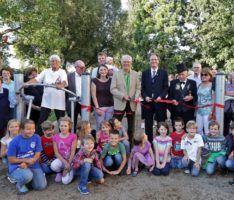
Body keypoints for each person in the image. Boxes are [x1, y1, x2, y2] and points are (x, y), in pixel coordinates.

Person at [24, 55, 68, 135]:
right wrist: (27, 83)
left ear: (59, 63)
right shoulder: (46, 71)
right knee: (42, 120)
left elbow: (64, 81)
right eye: (52, 61)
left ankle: (64, 138)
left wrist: (61, 85)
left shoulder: (62, 71)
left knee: (61, 121)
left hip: (59, 101)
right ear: (50, 63)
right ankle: (37, 137)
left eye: (56, 61)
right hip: (47, 101)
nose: (54, 62)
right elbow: (37, 79)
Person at [7, 119, 47, 195]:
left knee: (41, 186)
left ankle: (27, 179)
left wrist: (28, 163)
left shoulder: (37, 137)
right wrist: (26, 160)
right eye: (28, 129)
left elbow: (37, 154)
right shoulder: (14, 141)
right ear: (21, 129)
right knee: (28, 176)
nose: (31, 131)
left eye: (33, 128)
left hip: (33, 164)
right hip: (18, 166)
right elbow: (11, 159)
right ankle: (19, 183)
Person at [111, 54, 141, 144]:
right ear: (121, 62)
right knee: (114, 127)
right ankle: (114, 144)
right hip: (120, 103)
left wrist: (136, 97)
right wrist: (122, 96)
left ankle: (130, 146)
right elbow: (112, 89)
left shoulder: (136, 74)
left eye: (128, 62)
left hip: (132, 104)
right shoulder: (116, 74)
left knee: (131, 128)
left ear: (131, 63)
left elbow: (138, 88)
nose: (126, 63)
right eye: (124, 62)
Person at [141, 53, 169, 143]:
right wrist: (145, 97)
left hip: (160, 103)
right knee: (148, 124)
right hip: (148, 103)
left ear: (158, 61)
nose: (154, 61)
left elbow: (166, 87)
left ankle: (161, 141)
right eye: (152, 59)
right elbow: (142, 88)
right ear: (149, 61)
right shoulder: (145, 73)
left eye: (155, 59)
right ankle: (149, 143)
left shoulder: (164, 73)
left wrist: (161, 96)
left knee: (161, 123)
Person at [51, 117, 77, 184]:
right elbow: (56, 152)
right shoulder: (55, 137)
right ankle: (59, 172)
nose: (63, 128)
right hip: (61, 159)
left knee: (65, 182)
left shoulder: (73, 136)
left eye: (65, 126)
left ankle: (70, 170)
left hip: (70, 159)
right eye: (61, 126)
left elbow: (73, 151)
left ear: (69, 126)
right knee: (53, 165)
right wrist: (65, 162)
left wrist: (68, 163)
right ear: (59, 126)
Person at [91, 64, 114, 131]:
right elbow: (93, 95)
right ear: (98, 71)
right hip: (100, 107)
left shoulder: (111, 80)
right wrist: (97, 108)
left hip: (110, 107)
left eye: (104, 69)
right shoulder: (95, 81)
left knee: (108, 126)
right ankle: (99, 141)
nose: (103, 71)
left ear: (107, 71)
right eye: (101, 70)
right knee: (100, 126)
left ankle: (108, 141)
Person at [66, 60, 86, 130]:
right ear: (76, 67)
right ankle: (72, 137)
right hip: (72, 102)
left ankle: (85, 138)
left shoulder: (87, 76)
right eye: (81, 67)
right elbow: (66, 90)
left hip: (84, 102)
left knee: (85, 122)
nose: (83, 69)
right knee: (72, 122)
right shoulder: (69, 76)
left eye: (84, 67)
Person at [196, 68, 214, 136]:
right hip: (199, 111)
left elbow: (213, 100)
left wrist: (211, 113)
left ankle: (208, 146)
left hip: (208, 111)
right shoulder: (199, 85)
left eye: (205, 74)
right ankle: (201, 145)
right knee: (198, 130)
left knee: (207, 131)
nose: (203, 76)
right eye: (202, 74)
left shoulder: (212, 85)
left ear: (210, 76)